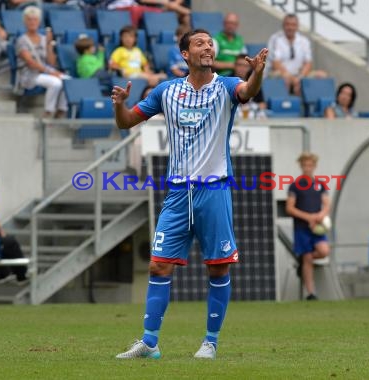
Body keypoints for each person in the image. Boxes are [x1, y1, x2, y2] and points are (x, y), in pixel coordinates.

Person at [112, 29, 267, 360]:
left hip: (214, 190)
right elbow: (126, 123)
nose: (208, 47)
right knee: (158, 266)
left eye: (210, 43)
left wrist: (257, 72)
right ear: (185, 54)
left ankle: (210, 342)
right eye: (200, 43)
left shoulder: (225, 86)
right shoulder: (166, 91)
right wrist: (120, 105)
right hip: (178, 193)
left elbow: (248, 91)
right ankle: (149, 343)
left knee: (218, 269)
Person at [285, 152, 330, 301]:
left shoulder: (320, 185)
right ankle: (311, 293)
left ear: (314, 166)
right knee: (308, 257)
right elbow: (290, 208)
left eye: (310, 165)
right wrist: (308, 217)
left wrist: (320, 216)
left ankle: (302, 263)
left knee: (323, 251)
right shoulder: (295, 186)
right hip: (302, 228)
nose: (307, 168)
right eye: (304, 165)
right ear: (301, 166)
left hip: (317, 228)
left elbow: (326, 204)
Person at [16, 6, 68, 118]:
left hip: (45, 72)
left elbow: (51, 62)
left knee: (67, 80)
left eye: (35, 19)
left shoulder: (44, 39)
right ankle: (48, 111)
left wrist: (48, 44)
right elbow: (30, 62)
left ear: (39, 22)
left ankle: (61, 110)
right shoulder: (21, 40)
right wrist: (51, 72)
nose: (32, 22)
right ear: (24, 22)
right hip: (30, 74)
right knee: (56, 82)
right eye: (29, 19)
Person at [267, 14, 327, 95]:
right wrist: (291, 78)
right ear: (283, 26)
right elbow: (275, 63)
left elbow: (308, 63)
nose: (290, 28)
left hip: (299, 74)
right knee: (286, 78)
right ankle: (286, 104)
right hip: (280, 73)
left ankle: (310, 105)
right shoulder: (275, 39)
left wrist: (300, 78)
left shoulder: (304, 40)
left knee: (322, 75)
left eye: (293, 25)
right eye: (287, 24)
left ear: (297, 26)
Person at [232, 54, 267, 120]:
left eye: (245, 66)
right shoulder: (227, 80)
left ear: (249, 68)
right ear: (235, 66)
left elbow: (262, 104)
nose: (242, 68)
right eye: (240, 65)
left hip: (251, 114)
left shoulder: (254, 82)